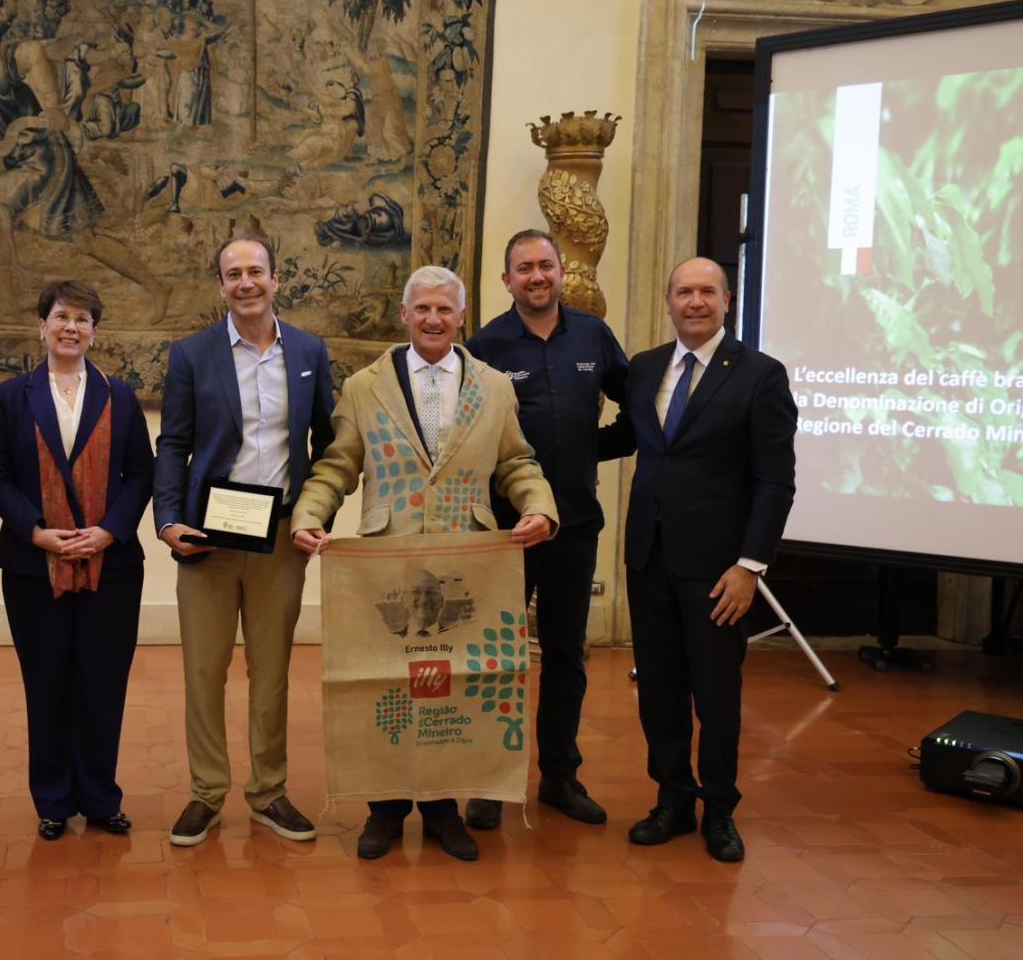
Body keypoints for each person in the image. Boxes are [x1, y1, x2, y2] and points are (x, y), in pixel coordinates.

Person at [290, 265, 560, 862]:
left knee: (450, 692)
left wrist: (539, 507)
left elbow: (518, 463)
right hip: (386, 568)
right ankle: (383, 811)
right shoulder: (365, 386)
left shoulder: (493, 386)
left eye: (445, 309)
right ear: (405, 315)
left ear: (460, 317)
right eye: (423, 309)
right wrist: (310, 514)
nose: (433, 319)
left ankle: (442, 810)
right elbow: (337, 465)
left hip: (468, 566)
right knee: (388, 686)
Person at [153, 234, 335, 847]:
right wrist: (169, 522)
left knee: (272, 671)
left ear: (276, 279)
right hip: (208, 536)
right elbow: (173, 444)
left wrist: (318, 513)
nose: (246, 283)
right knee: (204, 671)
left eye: (256, 271)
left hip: (280, 536)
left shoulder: (309, 351)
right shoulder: (192, 354)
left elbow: (329, 446)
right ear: (221, 286)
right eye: (234, 274)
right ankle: (206, 793)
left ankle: (269, 792)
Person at [621, 257, 797, 863]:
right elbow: (632, 438)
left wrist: (751, 566)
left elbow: (776, 482)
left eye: (706, 292)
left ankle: (720, 809)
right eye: (683, 292)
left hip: (719, 570)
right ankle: (673, 799)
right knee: (660, 691)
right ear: (668, 302)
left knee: (716, 695)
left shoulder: (760, 375)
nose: (695, 302)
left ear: (727, 300)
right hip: (648, 559)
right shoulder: (645, 369)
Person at [462, 231, 631, 830]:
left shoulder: (594, 336)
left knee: (565, 654)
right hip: (505, 531)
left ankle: (560, 776)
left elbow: (635, 415)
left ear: (562, 273)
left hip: (576, 525)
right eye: (524, 268)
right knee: (496, 657)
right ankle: (488, 780)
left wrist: (591, 447)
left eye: (546, 266)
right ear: (506, 281)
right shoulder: (484, 345)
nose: (537, 276)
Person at [0, 280, 154, 841]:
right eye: (60, 316)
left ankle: (101, 798)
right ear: (42, 326)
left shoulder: (120, 395)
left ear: (95, 332)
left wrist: (107, 532)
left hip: (111, 567)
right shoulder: (13, 395)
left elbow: (141, 475)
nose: (70, 327)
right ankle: (53, 800)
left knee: (102, 684)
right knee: (48, 683)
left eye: (82, 318)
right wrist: (36, 533)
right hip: (35, 567)